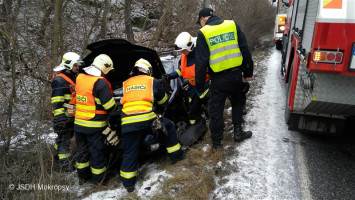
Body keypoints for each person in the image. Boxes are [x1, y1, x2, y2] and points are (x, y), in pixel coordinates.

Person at [120, 58, 185, 193]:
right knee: (169, 126)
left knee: (130, 151)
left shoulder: (125, 83)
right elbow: (163, 101)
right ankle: (176, 157)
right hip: (147, 119)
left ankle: (128, 184)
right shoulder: (152, 81)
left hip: (127, 122)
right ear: (148, 70)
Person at [194, 8, 254, 149]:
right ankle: (238, 132)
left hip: (218, 79)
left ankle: (217, 143)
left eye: (200, 22)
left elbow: (201, 63)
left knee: (216, 110)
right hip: (236, 75)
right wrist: (248, 72)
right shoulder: (232, 24)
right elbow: (245, 49)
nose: (200, 25)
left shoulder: (203, 33)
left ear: (203, 18)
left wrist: (199, 86)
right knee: (238, 102)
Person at [74, 54, 117, 185]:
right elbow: (109, 106)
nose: (106, 75)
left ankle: (83, 178)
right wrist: (116, 107)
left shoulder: (80, 78)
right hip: (94, 126)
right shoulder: (101, 83)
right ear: (104, 69)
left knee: (82, 153)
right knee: (97, 154)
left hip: (79, 124)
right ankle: (99, 181)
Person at [164, 32, 210, 126]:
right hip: (193, 88)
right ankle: (195, 127)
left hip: (206, 86)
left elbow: (211, 71)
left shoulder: (201, 54)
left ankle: (210, 121)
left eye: (184, 50)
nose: (182, 52)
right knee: (192, 112)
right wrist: (170, 76)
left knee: (210, 108)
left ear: (190, 46)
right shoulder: (184, 56)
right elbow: (182, 70)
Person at [51, 52, 82, 172]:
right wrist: (60, 118)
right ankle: (65, 166)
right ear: (68, 65)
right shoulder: (59, 80)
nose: (77, 67)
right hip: (63, 117)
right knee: (64, 141)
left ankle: (57, 154)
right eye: (75, 65)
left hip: (71, 116)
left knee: (63, 139)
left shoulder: (73, 77)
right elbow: (57, 101)